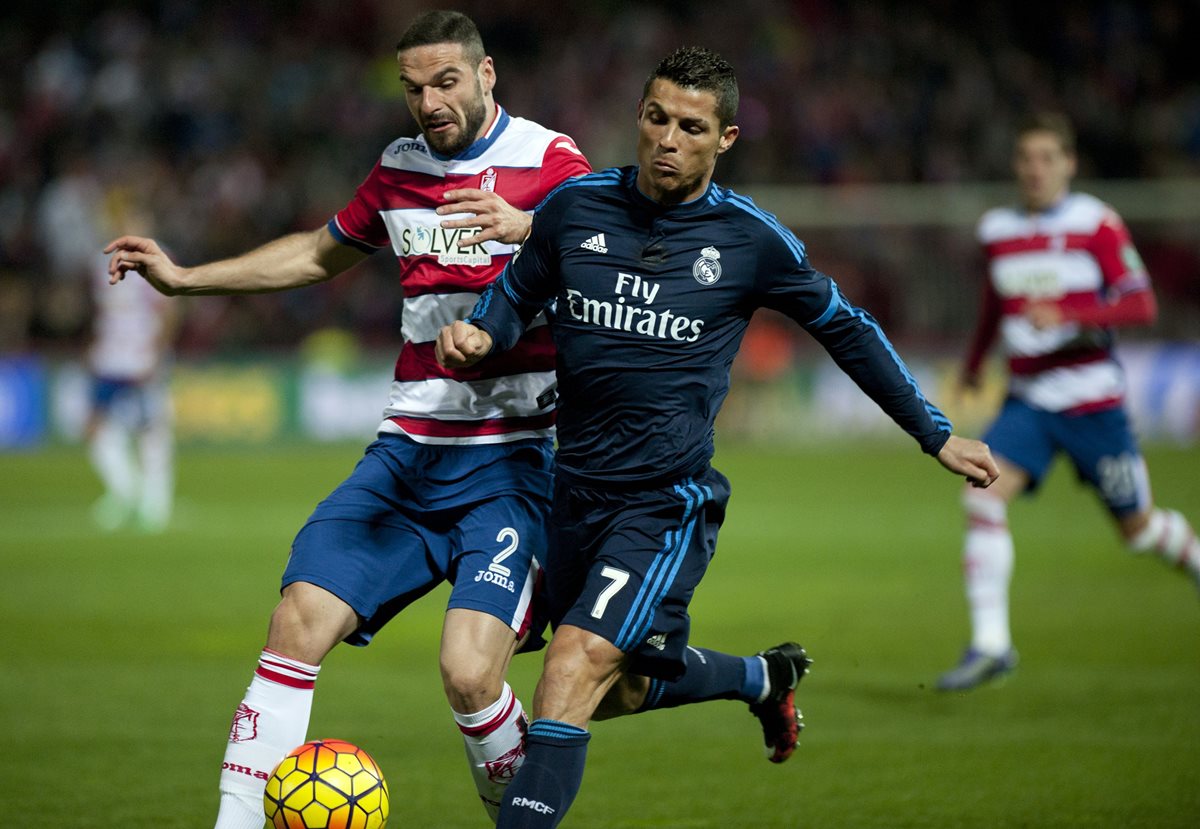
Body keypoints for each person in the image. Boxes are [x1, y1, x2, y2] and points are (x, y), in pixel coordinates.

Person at [437, 46, 999, 827]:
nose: (668, 138)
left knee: (570, 668)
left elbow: (848, 329)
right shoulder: (576, 207)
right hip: (574, 495)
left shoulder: (749, 240)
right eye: (657, 118)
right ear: (640, 115)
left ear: (725, 139)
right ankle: (760, 679)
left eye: (691, 127)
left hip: (663, 504)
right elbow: (515, 293)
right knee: (619, 687)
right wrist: (481, 335)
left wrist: (932, 432)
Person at [105, 11, 595, 827]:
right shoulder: (398, 169)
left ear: (486, 75)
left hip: (514, 461)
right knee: (297, 619)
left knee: (472, 675)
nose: (428, 102)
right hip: (407, 453)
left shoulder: (550, 162)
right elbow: (316, 251)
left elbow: (619, 249)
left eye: (444, 82)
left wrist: (536, 228)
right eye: (412, 88)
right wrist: (186, 279)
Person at [936, 113, 1200, 691]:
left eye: (1047, 158)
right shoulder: (997, 229)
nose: (1036, 169)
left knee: (1140, 531)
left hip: (1091, 403)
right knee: (981, 495)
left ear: (1069, 164)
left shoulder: (1096, 223)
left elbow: (1140, 305)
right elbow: (994, 304)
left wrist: (1071, 314)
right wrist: (976, 363)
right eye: (1026, 158)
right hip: (1027, 402)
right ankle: (991, 645)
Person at [85, 194, 177, 534]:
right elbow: (103, 312)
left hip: (141, 357)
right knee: (95, 427)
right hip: (110, 357)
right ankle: (124, 493)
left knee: (150, 429)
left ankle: (156, 502)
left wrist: (157, 352)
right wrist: (95, 345)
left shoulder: (156, 257)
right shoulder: (101, 262)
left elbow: (169, 310)